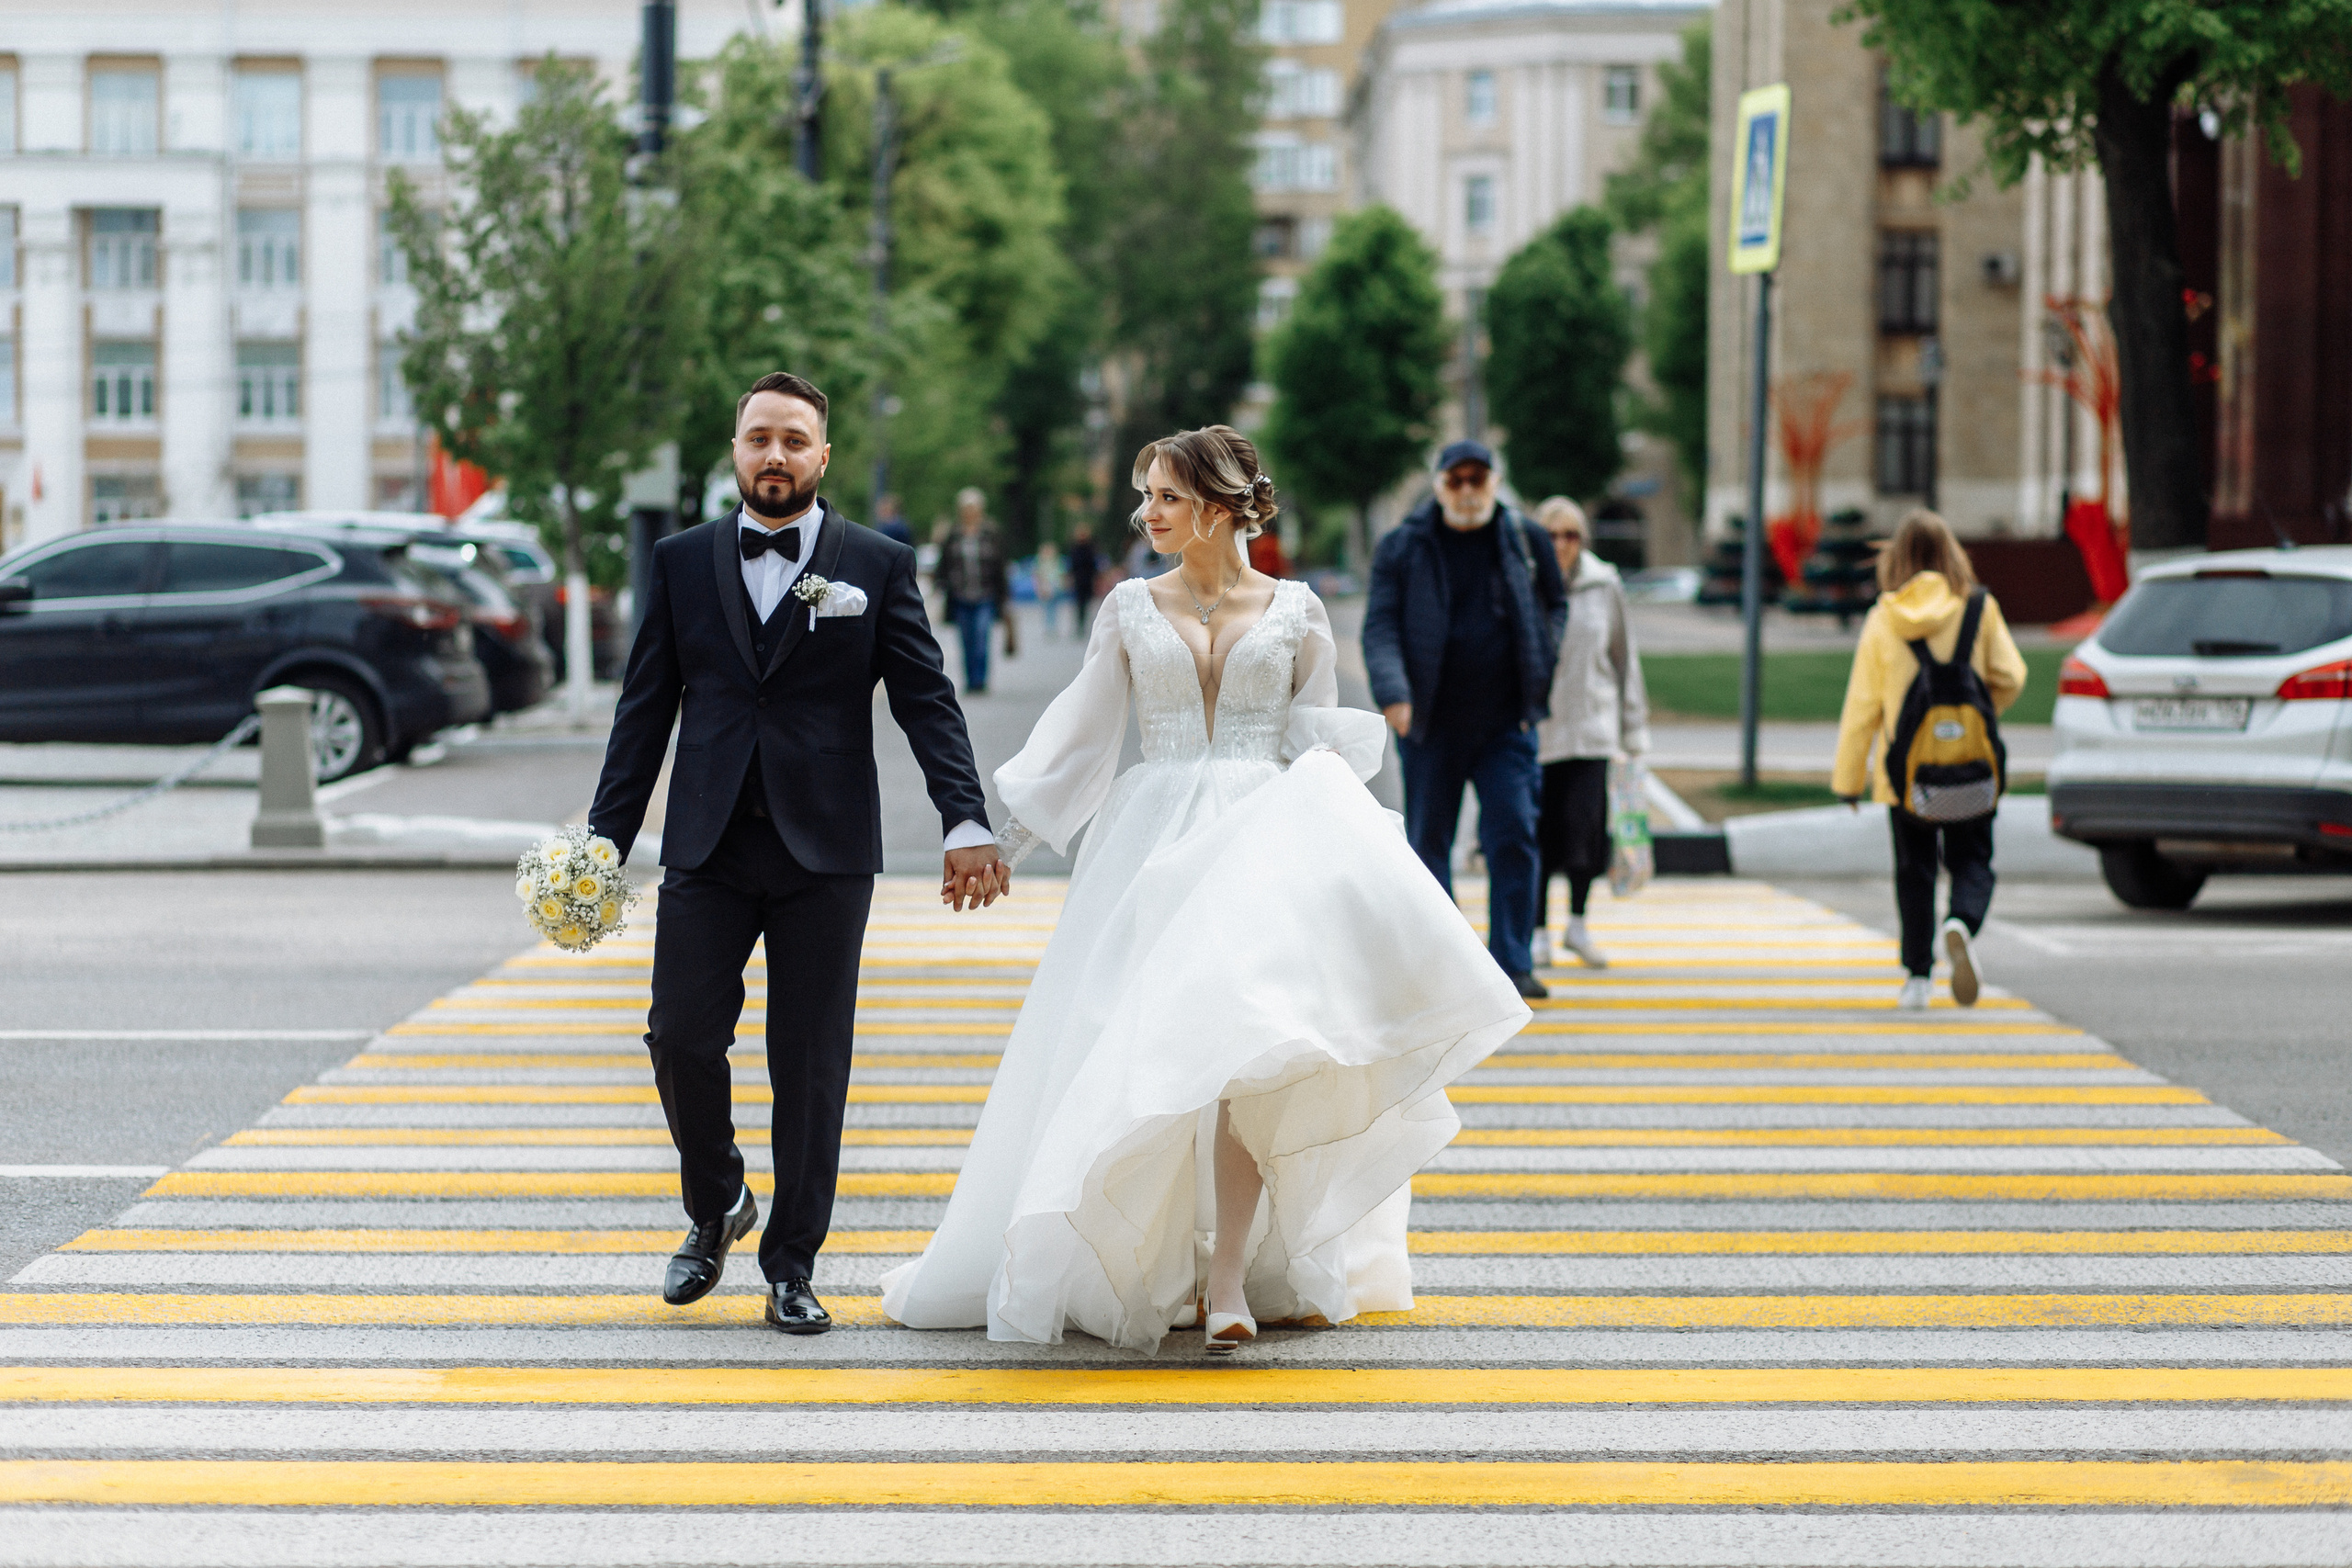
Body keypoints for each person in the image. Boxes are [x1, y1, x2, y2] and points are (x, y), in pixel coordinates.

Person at [880, 425, 1530, 1357]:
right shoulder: (1128, 609)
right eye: (1145, 497)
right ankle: (1150, 1264)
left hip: (1262, 846)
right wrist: (1000, 844)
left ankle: (1228, 1278)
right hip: (1150, 852)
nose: (1144, 513)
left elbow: (1312, 742)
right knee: (1147, 1055)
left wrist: (1362, 856)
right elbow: (1082, 742)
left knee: (1241, 1065)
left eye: (1163, 498)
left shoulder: (1299, 611)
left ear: (1218, 507)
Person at [586, 371, 1009, 1337]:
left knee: (810, 1062)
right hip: (707, 840)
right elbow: (643, 709)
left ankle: (792, 1262)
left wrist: (964, 816)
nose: (774, 455)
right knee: (680, 1035)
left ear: (823, 456)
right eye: (757, 439)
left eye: (793, 441)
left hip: (826, 852)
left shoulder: (879, 564)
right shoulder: (682, 562)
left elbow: (926, 701)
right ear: (735, 452)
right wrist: (607, 839)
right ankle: (716, 1202)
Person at [1363, 440, 1569, 1000]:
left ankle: (1512, 963)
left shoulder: (1524, 539)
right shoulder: (1403, 547)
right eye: (1457, 481)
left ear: (1495, 482)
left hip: (1507, 723)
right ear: (1438, 486)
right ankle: (1445, 969)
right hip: (1431, 724)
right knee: (1431, 842)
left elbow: (1556, 603)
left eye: (1479, 479)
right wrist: (1394, 694)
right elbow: (1379, 627)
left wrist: (1543, 661)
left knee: (1514, 834)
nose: (1469, 491)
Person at [1831, 508, 2027, 1011]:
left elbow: (1862, 707)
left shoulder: (1882, 618)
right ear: (1952, 554)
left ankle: (1917, 978)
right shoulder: (1980, 608)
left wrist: (1849, 780)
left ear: (1895, 558)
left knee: (1914, 871)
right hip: (1973, 768)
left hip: (1907, 775)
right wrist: (1977, 715)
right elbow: (2012, 676)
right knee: (1973, 859)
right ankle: (1960, 921)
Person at [1532, 497, 1649, 971]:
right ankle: (1536, 931)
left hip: (1593, 730)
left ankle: (1577, 925)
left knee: (1585, 835)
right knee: (1539, 835)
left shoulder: (1605, 585)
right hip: (1540, 733)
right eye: (1552, 535)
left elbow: (1625, 658)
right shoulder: (1527, 583)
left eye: (1572, 535)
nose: (1562, 544)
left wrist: (1633, 729)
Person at [938, 487, 1008, 694]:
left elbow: (1000, 565)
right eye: (966, 508)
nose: (970, 512)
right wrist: (941, 585)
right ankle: (970, 680)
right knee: (966, 639)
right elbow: (944, 564)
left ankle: (980, 680)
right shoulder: (953, 534)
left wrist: (1004, 597)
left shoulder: (991, 533)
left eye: (973, 508)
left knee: (981, 637)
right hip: (959, 594)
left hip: (985, 594)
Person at [1065, 525, 1101, 634]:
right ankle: (1080, 625)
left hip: (1087, 580)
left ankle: (1083, 624)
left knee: (1086, 604)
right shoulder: (1075, 549)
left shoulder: (1090, 549)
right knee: (1079, 604)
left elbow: (1093, 565)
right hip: (1079, 580)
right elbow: (1072, 565)